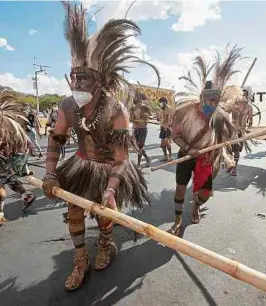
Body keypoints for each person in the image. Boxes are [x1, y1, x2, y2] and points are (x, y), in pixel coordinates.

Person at [42, 2, 159, 291]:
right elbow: (55, 140)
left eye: (84, 77)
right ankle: (80, 258)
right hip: (81, 164)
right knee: (74, 211)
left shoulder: (116, 109)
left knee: (106, 214)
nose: (77, 82)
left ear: (100, 81)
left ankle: (105, 243)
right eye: (74, 76)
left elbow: (122, 157)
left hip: (110, 168)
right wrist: (49, 172)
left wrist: (109, 189)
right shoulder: (67, 105)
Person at [168, 81, 235, 236]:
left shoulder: (220, 116)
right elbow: (174, 136)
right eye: (211, 101)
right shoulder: (184, 112)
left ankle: (196, 206)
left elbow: (222, 141)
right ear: (201, 98)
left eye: (217, 102)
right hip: (186, 155)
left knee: (205, 194)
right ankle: (177, 221)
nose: (214, 104)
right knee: (180, 189)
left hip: (206, 157)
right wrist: (188, 149)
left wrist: (226, 156)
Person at [0, 91, 36, 225]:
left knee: (3, 182)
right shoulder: (7, 125)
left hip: (3, 161)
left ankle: (0, 213)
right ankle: (26, 195)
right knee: (10, 180)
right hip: (6, 161)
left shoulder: (6, 127)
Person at [226, 88, 253, 176]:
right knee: (229, 149)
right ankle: (229, 163)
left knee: (237, 151)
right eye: (242, 94)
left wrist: (248, 127)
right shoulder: (233, 105)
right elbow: (225, 112)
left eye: (245, 95)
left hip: (241, 132)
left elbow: (250, 120)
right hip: (232, 130)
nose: (243, 96)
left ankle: (234, 168)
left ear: (247, 96)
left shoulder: (249, 107)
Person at [129, 92, 152, 168]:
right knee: (137, 146)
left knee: (140, 146)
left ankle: (138, 164)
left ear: (140, 100)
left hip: (142, 129)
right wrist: (132, 119)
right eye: (135, 98)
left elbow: (149, 115)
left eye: (137, 98)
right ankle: (147, 158)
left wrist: (146, 117)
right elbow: (130, 119)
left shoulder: (144, 107)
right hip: (135, 128)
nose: (135, 99)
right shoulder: (132, 108)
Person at [158, 97, 174, 161]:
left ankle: (170, 156)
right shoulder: (161, 110)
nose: (161, 104)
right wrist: (158, 118)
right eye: (160, 103)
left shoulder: (170, 109)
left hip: (168, 129)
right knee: (162, 144)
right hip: (162, 128)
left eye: (162, 102)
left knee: (167, 143)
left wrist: (170, 123)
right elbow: (160, 119)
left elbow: (173, 119)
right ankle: (165, 156)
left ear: (165, 102)